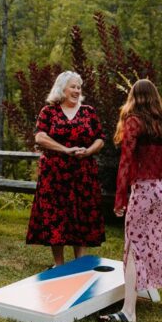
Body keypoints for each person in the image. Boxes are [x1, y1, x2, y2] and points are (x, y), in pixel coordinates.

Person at [99, 79, 162, 322]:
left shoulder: (134, 121)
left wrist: (120, 197)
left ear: (133, 96)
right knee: (161, 243)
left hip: (145, 189)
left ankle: (129, 311)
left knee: (134, 246)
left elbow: (126, 161)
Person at [25, 71, 106, 266]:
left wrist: (88, 152)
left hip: (83, 173)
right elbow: (40, 137)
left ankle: (80, 262)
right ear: (62, 88)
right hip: (54, 174)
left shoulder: (88, 112)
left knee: (82, 214)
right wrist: (65, 150)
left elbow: (100, 139)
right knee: (56, 214)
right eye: (73, 87)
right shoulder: (49, 111)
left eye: (79, 87)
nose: (77, 91)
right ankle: (59, 263)